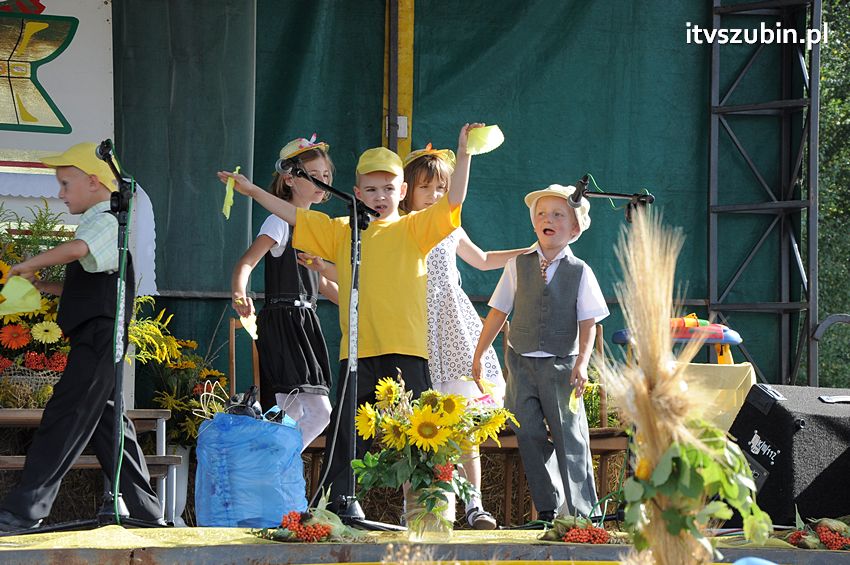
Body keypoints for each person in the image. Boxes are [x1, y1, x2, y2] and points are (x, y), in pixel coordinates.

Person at [217, 123, 481, 513]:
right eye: (371, 190)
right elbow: (292, 213)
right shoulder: (342, 231)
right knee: (347, 433)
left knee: (418, 432)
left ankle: (429, 510)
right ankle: (341, 501)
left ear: (403, 192)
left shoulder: (415, 228)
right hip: (356, 353)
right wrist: (253, 190)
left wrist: (465, 151)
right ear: (357, 194)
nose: (380, 196)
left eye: (389, 188)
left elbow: (453, 199)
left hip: (407, 350)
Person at [0, 142, 163, 532]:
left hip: (100, 336)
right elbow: (92, 278)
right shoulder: (102, 219)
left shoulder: (106, 219)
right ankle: (146, 510)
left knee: (66, 416)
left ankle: (27, 510)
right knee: (109, 424)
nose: (60, 193)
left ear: (94, 181)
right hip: (98, 334)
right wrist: (44, 285)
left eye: (65, 184)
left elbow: (79, 249)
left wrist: (27, 263)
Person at [399, 144, 529, 529]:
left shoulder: (450, 225)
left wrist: (531, 251)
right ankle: (421, 511)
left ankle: (474, 505)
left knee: (462, 423)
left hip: (452, 324)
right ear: (407, 190)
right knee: (414, 422)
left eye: (442, 188)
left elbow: (484, 259)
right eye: (428, 188)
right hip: (414, 324)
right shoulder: (399, 226)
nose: (436, 196)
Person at [472, 183, 608, 521]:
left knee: (569, 435)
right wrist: (479, 354)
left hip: (562, 365)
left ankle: (582, 512)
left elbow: (588, 323)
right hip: (521, 365)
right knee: (528, 432)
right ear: (534, 224)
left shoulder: (581, 272)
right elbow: (499, 311)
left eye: (558, 215)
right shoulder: (518, 265)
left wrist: (582, 363)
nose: (548, 219)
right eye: (542, 214)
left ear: (574, 228)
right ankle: (548, 507)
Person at [230, 135, 338, 451]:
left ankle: (274, 466)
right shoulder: (279, 220)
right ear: (290, 179)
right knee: (311, 411)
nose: (323, 183)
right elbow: (246, 263)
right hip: (285, 321)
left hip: (306, 321)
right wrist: (240, 294)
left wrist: (363, 304)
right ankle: (276, 465)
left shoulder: (317, 226)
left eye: (327, 176)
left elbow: (324, 284)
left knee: (297, 412)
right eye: (315, 177)